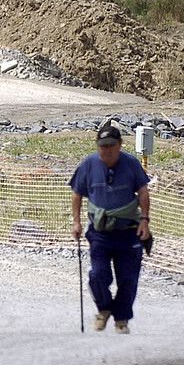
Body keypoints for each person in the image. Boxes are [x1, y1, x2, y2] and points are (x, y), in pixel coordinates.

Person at [70, 122, 151, 334]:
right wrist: (76, 222)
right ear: (97, 146)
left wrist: (144, 220)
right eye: (103, 145)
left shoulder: (131, 164)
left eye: (111, 145)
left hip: (128, 232)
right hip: (100, 233)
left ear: (120, 145)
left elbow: (143, 191)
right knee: (98, 275)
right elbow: (77, 193)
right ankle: (104, 309)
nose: (107, 150)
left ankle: (121, 319)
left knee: (128, 278)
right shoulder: (88, 165)